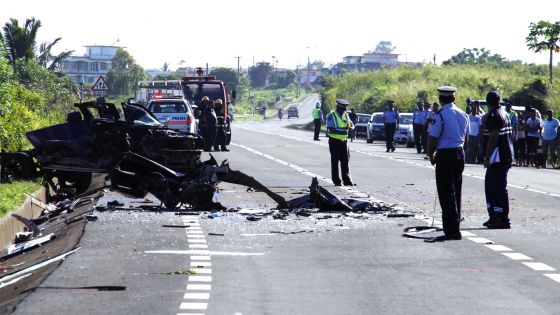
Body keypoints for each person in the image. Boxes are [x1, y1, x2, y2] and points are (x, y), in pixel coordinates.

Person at [425, 86, 469, 242]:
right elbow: (467, 137)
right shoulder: (463, 114)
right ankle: (455, 226)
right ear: (454, 98)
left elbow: (433, 137)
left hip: (446, 155)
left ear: (440, 99)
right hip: (459, 153)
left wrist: (431, 154)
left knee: (446, 193)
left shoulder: (440, 115)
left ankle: (451, 231)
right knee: (456, 191)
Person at [482, 91, 514, 229]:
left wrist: (487, 157)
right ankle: (494, 216)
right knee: (490, 186)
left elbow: (493, 138)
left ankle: (501, 218)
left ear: (488, 103)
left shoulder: (494, 115)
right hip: (504, 156)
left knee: (497, 187)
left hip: (497, 157)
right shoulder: (505, 113)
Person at [326, 99, 354, 186]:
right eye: (343, 109)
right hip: (334, 141)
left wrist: (351, 128)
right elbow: (331, 129)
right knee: (335, 162)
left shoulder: (345, 115)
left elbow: (351, 124)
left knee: (345, 161)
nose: (344, 110)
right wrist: (344, 132)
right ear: (338, 107)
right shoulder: (331, 115)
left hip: (344, 142)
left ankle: (347, 181)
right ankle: (336, 181)